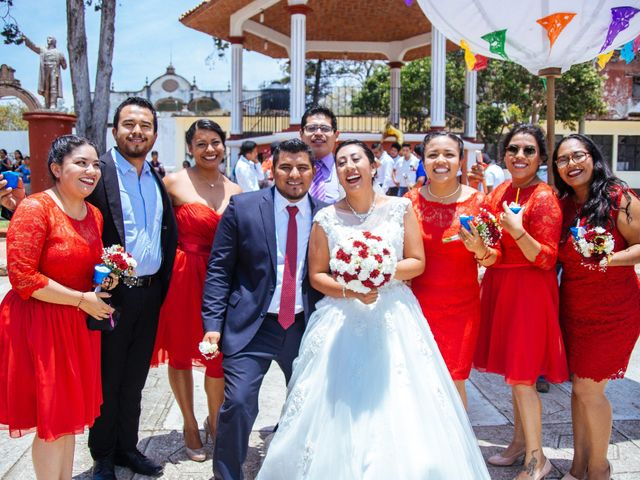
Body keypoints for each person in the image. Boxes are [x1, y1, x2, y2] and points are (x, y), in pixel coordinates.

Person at [257, 140, 489, 479]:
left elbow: (416, 262)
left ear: (373, 166)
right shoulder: (326, 217)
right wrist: (350, 288)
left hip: (394, 313)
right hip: (342, 317)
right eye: (341, 162)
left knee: (402, 398)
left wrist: (380, 271)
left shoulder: (399, 208)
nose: (350, 167)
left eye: (356, 160)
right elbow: (317, 276)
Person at [200, 138, 324, 479]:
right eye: (285, 167)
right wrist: (212, 323)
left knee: (309, 403)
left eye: (302, 167)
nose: (294, 174)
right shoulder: (242, 208)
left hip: (304, 326)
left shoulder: (326, 215)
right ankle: (227, 474)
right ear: (271, 169)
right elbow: (219, 270)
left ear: (313, 171)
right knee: (238, 403)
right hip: (251, 325)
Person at [0, 135, 117, 479]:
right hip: (38, 326)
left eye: (95, 164)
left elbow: (85, 267)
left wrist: (104, 281)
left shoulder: (93, 214)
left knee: (66, 422)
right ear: (56, 168)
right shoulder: (35, 208)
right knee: (51, 422)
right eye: (81, 163)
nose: (91, 170)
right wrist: (83, 300)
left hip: (76, 326)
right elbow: (23, 277)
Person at [468, 124, 568, 480]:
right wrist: (478, 245)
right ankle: (518, 443)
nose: (520, 156)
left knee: (524, 376)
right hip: (501, 285)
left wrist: (517, 230)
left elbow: (545, 258)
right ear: (504, 154)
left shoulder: (544, 198)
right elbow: (492, 247)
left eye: (528, 150)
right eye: (513, 149)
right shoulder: (500, 191)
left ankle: (537, 459)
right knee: (514, 376)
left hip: (529, 291)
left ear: (541, 157)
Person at [87, 97, 178, 480]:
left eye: (145, 125)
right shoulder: (99, 172)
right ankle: (103, 455)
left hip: (150, 293)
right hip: (112, 294)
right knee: (108, 379)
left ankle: (128, 448)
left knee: (136, 378)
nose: (137, 131)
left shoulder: (155, 178)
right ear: (115, 130)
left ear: (154, 133)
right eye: (129, 124)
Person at [151, 120, 242, 462]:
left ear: (224, 145)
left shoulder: (236, 189)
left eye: (215, 142)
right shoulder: (173, 183)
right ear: (190, 147)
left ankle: (216, 422)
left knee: (217, 356)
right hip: (182, 275)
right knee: (180, 352)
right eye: (201, 143)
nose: (209, 149)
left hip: (221, 280)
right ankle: (190, 423)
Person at [553, 134, 640, 480]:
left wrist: (608, 260)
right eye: (563, 160)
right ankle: (579, 464)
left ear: (593, 157)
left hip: (614, 309)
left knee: (590, 389)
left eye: (578, 156)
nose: (571, 164)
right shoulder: (563, 205)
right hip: (573, 306)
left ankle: (600, 467)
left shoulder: (619, 197)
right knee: (578, 389)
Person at [406, 132, 484, 409]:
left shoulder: (478, 203)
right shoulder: (409, 202)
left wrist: (480, 249)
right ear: (423, 161)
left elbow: (492, 257)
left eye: (449, 154)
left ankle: (457, 450)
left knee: (454, 379)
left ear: (461, 161)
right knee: (419, 379)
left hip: (462, 308)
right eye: (433, 155)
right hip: (416, 307)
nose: (441, 160)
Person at [300, 106, 341, 204]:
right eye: (311, 128)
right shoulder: (288, 171)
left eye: (325, 128)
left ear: (336, 135)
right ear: (301, 134)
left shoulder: (348, 169)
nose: (318, 133)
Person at [22, 34, 67, 109]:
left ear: (54, 41)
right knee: (46, 87)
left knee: (53, 86)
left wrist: (63, 60)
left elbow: (64, 66)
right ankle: (47, 104)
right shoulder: (43, 50)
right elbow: (34, 47)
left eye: (50, 38)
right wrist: (26, 39)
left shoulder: (59, 53)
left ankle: (53, 104)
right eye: (48, 38)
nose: (48, 40)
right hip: (45, 70)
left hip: (54, 70)